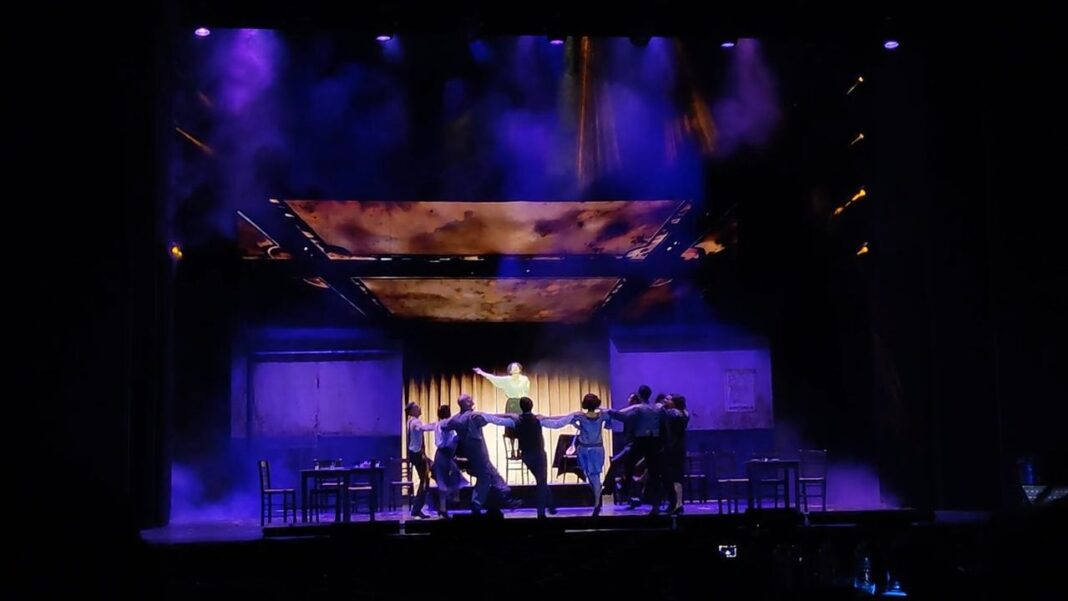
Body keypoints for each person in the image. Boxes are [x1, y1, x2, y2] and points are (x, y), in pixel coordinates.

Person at [443, 393, 518, 517]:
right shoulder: (473, 416)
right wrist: (510, 416)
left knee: (490, 475)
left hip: (470, 453)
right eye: (470, 399)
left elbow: (444, 426)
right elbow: (492, 417)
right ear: (466, 403)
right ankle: (480, 502)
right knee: (486, 477)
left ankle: (505, 497)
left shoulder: (455, 419)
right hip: (479, 453)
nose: (472, 401)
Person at [542, 393, 613, 516]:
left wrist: (542, 420)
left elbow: (558, 423)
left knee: (593, 476)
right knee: (591, 475)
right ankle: (597, 498)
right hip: (592, 449)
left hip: (589, 449)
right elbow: (609, 423)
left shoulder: (582, 416)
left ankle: (597, 502)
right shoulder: (600, 415)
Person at [493, 397, 558, 518]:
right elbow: (557, 423)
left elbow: (497, 420)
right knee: (541, 482)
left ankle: (551, 505)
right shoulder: (537, 419)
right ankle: (542, 513)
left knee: (541, 481)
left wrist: (504, 414)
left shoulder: (517, 421)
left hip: (526, 455)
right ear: (532, 406)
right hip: (538, 454)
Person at [473, 363, 530, 440]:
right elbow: (494, 378)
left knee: (523, 424)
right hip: (512, 403)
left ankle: (523, 441)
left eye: (516, 367)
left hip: (522, 403)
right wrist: (482, 372)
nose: (515, 368)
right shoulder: (507, 380)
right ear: (510, 371)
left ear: (520, 369)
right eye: (513, 367)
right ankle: (512, 442)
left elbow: (526, 391)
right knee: (511, 426)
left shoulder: (524, 379)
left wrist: (526, 403)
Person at [431, 405, 468, 518]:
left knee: (452, 478)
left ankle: (444, 505)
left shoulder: (441, 424)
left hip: (446, 455)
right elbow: (446, 442)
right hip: (443, 454)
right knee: (446, 480)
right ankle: (444, 506)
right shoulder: (444, 424)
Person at [405, 401, 436, 519]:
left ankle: (419, 508)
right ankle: (417, 509)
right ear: (412, 410)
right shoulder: (415, 422)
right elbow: (423, 428)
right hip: (417, 454)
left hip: (416, 454)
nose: (420, 408)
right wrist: (438, 425)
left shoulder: (410, 421)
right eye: (417, 407)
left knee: (428, 475)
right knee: (424, 481)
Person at [661, 395, 690, 515]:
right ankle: (677, 503)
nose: (666, 401)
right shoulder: (685, 413)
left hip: (672, 448)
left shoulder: (672, 413)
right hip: (680, 447)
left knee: (672, 477)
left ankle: (676, 503)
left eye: (669, 400)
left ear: (674, 402)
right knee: (677, 477)